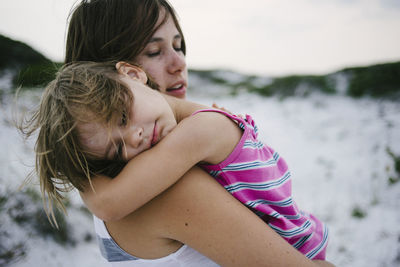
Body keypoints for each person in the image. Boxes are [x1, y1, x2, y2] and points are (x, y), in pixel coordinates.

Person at [57, 0, 335, 266]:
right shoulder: (169, 187)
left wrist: (82, 174)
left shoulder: (123, 173)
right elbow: (108, 203)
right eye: (154, 52)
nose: (179, 63)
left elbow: (105, 201)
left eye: (179, 46)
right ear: (123, 72)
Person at [24, 60, 331, 265]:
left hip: (297, 245)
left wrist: (77, 175)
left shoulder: (199, 132)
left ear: (132, 73)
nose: (135, 137)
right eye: (117, 151)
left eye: (121, 116)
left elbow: (109, 203)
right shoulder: (196, 125)